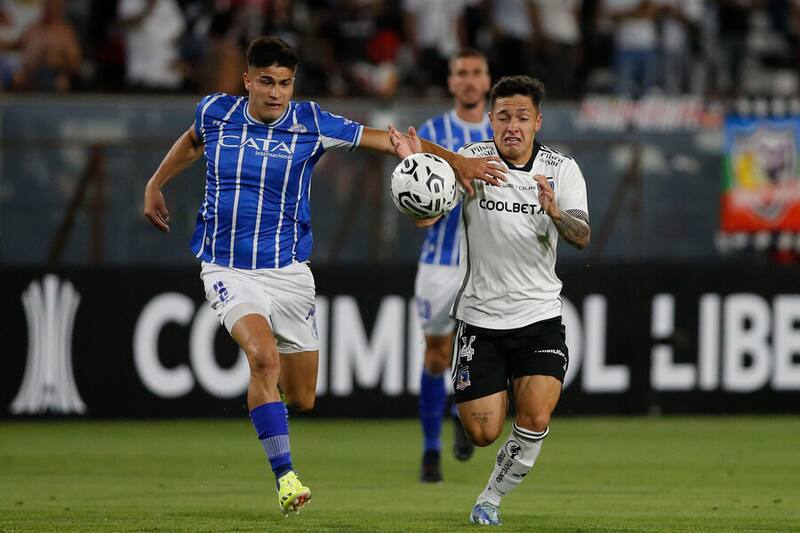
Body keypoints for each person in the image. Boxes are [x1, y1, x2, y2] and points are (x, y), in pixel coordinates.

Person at [143, 36, 505, 516]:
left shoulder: (311, 122)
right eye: (267, 82)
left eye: (285, 83)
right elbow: (192, 142)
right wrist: (155, 183)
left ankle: (269, 411)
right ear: (247, 81)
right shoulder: (215, 112)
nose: (276, 93)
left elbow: (385, 138)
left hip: (290, 271)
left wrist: (449, 159)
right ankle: (286, 477)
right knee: (262, 359)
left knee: (303, 396)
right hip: (226, 266)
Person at [390, 75, 590, 526]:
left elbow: (581, 235)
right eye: (503, 117)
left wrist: (555, 211)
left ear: (537, 121)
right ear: (491, 121)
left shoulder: (562, 170)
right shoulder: (473, 163)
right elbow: (429, 216)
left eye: (522, 117)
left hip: (540, 317)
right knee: (482, 432)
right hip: (481, 319)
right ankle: (477, 424)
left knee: (536, 417)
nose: (512, 126)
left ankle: (490, 498)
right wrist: (417, 168)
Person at [413, 47, 492, 483]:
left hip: (488, 266)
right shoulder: (432, 132)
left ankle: (466, 418)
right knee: (436, 356)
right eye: (461, 72)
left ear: (487, 81)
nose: (468, 80)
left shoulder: (501, 135)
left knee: (486, 354)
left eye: (476, 72)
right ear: (450, 82)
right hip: (439, 265)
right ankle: (430, 452)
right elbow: (411, 197)